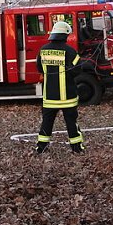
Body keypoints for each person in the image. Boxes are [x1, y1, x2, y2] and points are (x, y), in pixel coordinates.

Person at [36, 20, 85, 154]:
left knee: (47, 123)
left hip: (49, 96)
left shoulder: (43, 50)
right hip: (67, 96)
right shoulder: (70, 51)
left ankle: (41, 148)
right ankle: (76, 148)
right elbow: (78, 69)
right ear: (65, 35)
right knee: (71, 123)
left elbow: (39, 68)